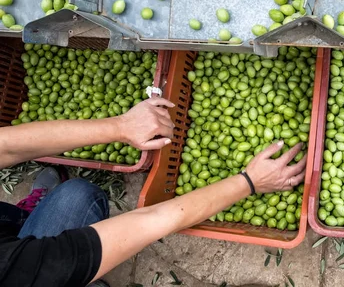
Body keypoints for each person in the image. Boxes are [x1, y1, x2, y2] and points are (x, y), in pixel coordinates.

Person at [0, 97, 307, 287]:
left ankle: (24, 221)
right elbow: (150, 221)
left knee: (75, 195)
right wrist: (249, 182)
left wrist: (121, 126)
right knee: (77, 202)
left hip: (14, 246)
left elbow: (6, 146)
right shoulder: (20, 273)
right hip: (32, 269)